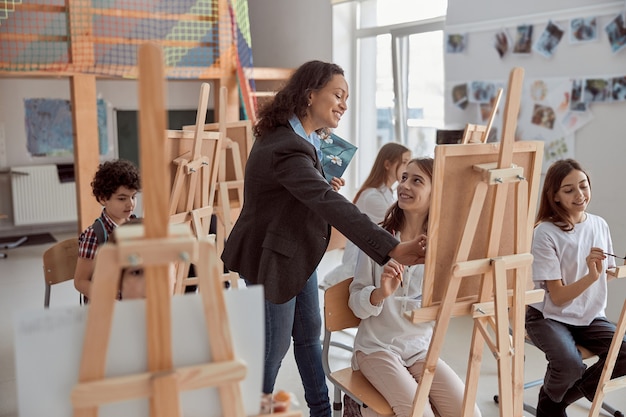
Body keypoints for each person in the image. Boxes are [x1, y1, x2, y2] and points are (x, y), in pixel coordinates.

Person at [220, 60, 427, 417]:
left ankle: (321, 410)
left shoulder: (301, 138)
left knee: (308, 337)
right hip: (273, 257)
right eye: (338, 94)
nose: (343, 104)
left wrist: (317, 181)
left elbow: (303, 194)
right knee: (273, 349)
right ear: (310, 94)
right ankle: (253, 410)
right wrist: (391, 247)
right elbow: (326, 202)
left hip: (296, 253)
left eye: (346, 97)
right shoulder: (287, 144)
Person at [348, 158, 481, 417]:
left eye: (416, 180)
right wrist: (380, 294)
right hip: (376, 348)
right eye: (404, 177)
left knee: (469, 413)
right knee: (418, 413)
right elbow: (355, 302)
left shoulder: (445, 247)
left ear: (437, 191)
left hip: (419, 349)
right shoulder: (378, 238)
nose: (405, 185)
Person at [525, 158, 626, 417]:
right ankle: (558, 397)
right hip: (547, 316)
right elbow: (557, 297)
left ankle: (555, 400)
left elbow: (603, 274)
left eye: (583, 186)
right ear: (555, 197)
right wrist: (591, 278)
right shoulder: (545, 232)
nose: (579, 195)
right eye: (569, 190)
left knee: (624, 353)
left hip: (588, 315)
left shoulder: (599, 224)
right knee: (569, 364)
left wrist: (613, 271)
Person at [320, 142, 411, 289]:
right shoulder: (372, 197)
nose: (408, 168)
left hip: (370, 268)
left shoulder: (387, 195)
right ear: (388, 164)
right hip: (356, 272)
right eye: (405, 162)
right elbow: (404, 225)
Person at [74, 159, 141, 300]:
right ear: (103, 198)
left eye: (134, 197)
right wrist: (108, 297)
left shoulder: (137, 224)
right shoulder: (94, 235)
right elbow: (80, 282)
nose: (131, 204)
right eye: (122, 199)